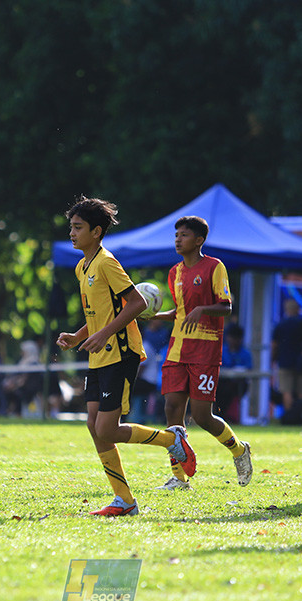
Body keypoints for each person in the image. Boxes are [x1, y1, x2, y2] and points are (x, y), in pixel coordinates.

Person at [56, 195, 196, 516]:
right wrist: (79, 335)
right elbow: (100, 312)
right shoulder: (83, 266)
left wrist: (103, 334)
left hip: (120, 351)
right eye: (71, 227)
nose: (72, 233)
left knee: (106, 428)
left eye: (78, 227)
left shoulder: (107, 262)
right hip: (99, 352)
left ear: (97, 231)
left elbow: (137, 303)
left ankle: (170, 440)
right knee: (95, 426)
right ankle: (125, 500)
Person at [150, 216, 251, 490]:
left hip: (205, 350)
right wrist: (155, 315)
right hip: (177, 348)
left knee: (202, 415)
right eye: (176, 235)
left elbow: (226, 307)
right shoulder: (174, 273)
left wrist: (203, 309)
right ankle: (179, 478)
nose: (177, 240)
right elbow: (180, 312)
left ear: (199, 240)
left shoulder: (214, 267)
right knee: (172, 409)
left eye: (183, 235)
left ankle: (239, 450)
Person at [271, 299, 302, 418]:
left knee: (286, 390)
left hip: (284, 362)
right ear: (297, 309)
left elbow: (274, 345)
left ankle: (289, 416)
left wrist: (273, 359)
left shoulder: (280, 325)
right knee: (301, 391)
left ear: (287, 310)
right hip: (301, 363)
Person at [217, 323, 252, 424]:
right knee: (221, 390)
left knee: (230, 390)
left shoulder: (245, 353)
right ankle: (222, 416)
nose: (234, 341)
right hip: (222, 384)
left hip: (238, 385)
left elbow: (249, 369)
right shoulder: (222, 351)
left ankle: (227, 417)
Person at [2, 339, 44, 417]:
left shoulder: (34, 364)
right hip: (20, 386)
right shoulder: (22, 362)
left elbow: (25, 380)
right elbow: (17, 376)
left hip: (29, 389)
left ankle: (17, 413)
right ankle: (9, 411)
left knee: (17, 393)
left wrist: (14, 385)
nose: (21, 353)